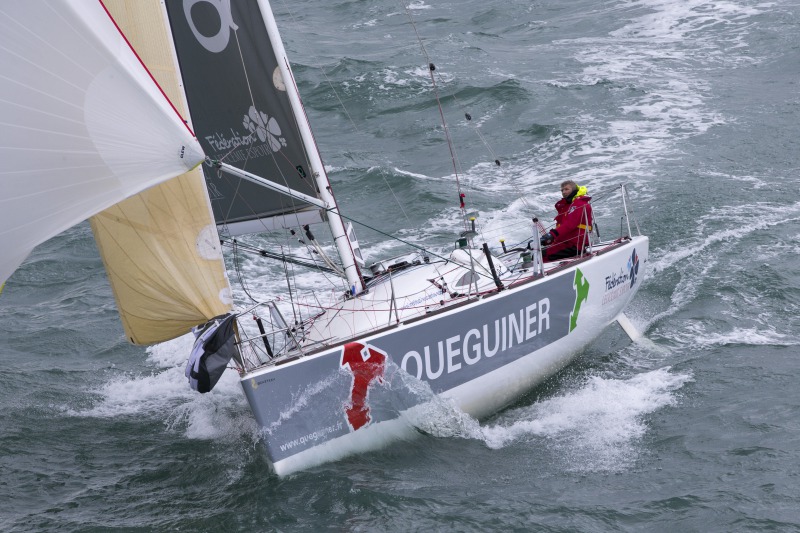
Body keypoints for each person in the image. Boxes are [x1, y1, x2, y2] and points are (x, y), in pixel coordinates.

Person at [540, 180, 593, 261]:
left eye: (566, 189)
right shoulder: (567, 205)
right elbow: (562, 227)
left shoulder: (579, 204)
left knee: (542, 255)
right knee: (536, 252)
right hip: (565, 242)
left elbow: (570, 224)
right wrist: (550, 239)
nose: (563, 192)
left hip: (576, 245)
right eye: (562, 190)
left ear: (574, 189)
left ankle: (545, 273)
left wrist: (552, 234)